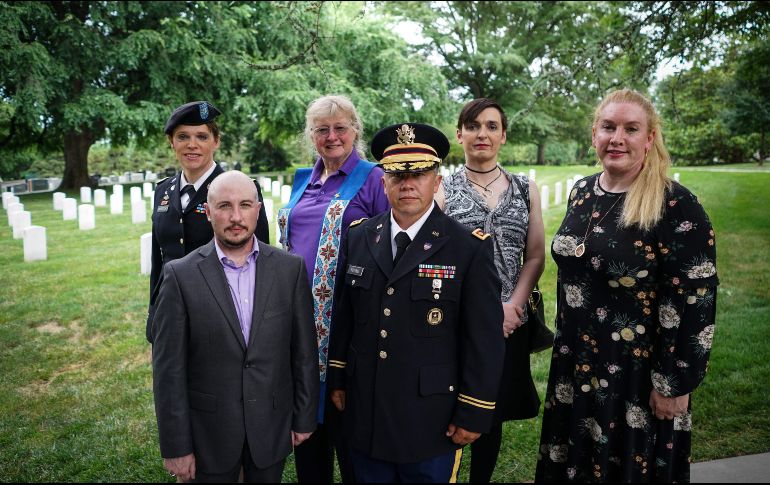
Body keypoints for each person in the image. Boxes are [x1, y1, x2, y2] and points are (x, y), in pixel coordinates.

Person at [535, 88, 719, 482]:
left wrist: (674, 383)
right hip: (575, 362)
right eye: (608, 127)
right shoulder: (582, 192)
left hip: (636, 374)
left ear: (649, 138)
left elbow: (696, 300)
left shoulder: (675, 204)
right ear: (594, 134)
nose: (617, 138)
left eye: (631, 129)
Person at [327, 122, 506, 482]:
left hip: (430, 417)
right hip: (367, 409)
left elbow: (483, 339)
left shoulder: (467, 248)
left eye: (420, 174)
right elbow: (345, 318)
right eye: (397, 175)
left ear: (436, 182)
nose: (407, 184)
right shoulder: (360, 237)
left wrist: (474, 409)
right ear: (384, 183)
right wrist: (337, 377)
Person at [151, 170, 319, 483]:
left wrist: (304, 417)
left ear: (258, 210)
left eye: (245, 205)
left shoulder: (289, 269)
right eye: (225, 206)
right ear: (208, 212)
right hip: (209, 435)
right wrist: (176, 446)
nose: (236, 217)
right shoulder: (180, 276)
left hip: (271, 428)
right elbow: (168, 371)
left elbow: (304, 353)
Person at [276, 95, 390, 483]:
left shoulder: (373, 179)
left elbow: (389, 246)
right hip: (298, 321)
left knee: (350, 435)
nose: (332, 136)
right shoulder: (302, 180)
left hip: (349, 320)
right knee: (308, 434)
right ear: (310, 135)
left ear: (355, 130)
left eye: (340, 127)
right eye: (321, 129)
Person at [436, 98, 545, 482]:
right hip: (457, 321)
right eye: (473, 126)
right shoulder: (443, 188)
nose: (482, 133)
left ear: (503, 136)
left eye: (491, 126)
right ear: (459, 134)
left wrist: (513, 306)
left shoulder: (525, 188)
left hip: (509, 321)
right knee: (450, 407)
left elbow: (535, 255)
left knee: (490, 410)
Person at [146, 100, 270, 343]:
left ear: (216, 141)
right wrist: (154, 312)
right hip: (171, 309)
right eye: (183, 136)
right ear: (171, 142)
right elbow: (158, 260)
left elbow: (259, 259)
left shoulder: (241, 189)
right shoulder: (163, 191)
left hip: (222, 314)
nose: (192, 145)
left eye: (202, 137)